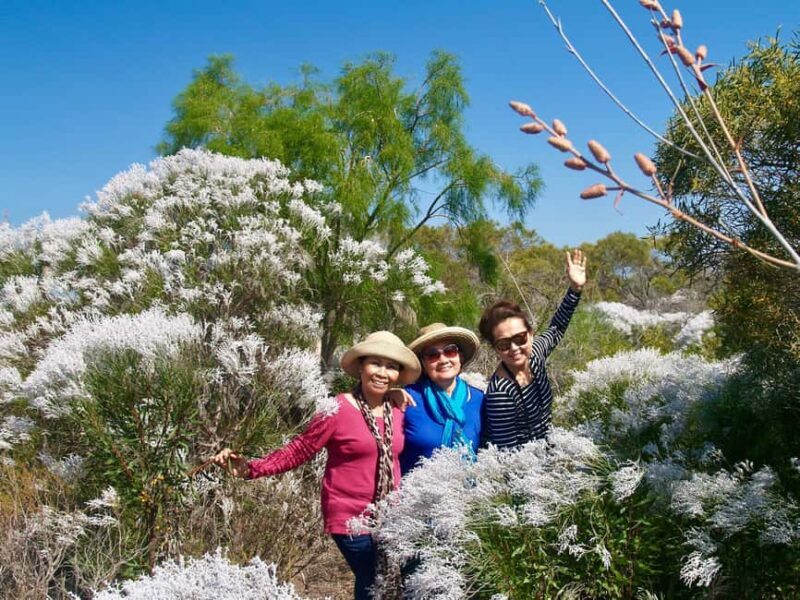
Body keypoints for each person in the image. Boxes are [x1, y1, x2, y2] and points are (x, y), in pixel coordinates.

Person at [212, 331, 421, 600]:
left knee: (389, 579)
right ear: (360, 367)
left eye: (391, 366)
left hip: (390, 514)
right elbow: (300, 449)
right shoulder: (336, 409)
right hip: (349, 516)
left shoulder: (398, 410)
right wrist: (250, 469)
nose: (382, 372)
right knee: (373, 578)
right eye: (375, 363)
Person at [478, 249, 587, 449]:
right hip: (521, 470)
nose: (514, 348)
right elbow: (507, 454)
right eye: (503, 344)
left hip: (545, 453)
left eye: (520, 338)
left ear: (530, 333)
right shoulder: (501, 394)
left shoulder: (535, 354)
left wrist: (575, 288)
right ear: (495, 349)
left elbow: (556, 328)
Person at [400, 323, 484, 474]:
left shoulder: (479, 399)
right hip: (416, 493)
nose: (443, 359)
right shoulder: (407, 398)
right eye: (432, 355)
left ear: (460, 357)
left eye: (450, 351)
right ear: (423, 364)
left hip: (470, 494)